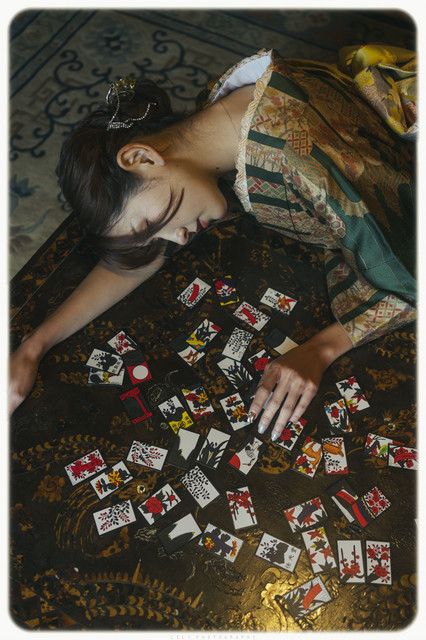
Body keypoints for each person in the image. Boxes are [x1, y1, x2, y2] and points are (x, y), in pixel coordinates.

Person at [9, 46, 417, 442]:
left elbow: (411, 273)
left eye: (149, 224)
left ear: (141, 158)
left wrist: (320, 350)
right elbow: (141, 259)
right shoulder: (219, 123)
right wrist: (34, 347)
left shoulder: (297, 159)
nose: (176, 237)